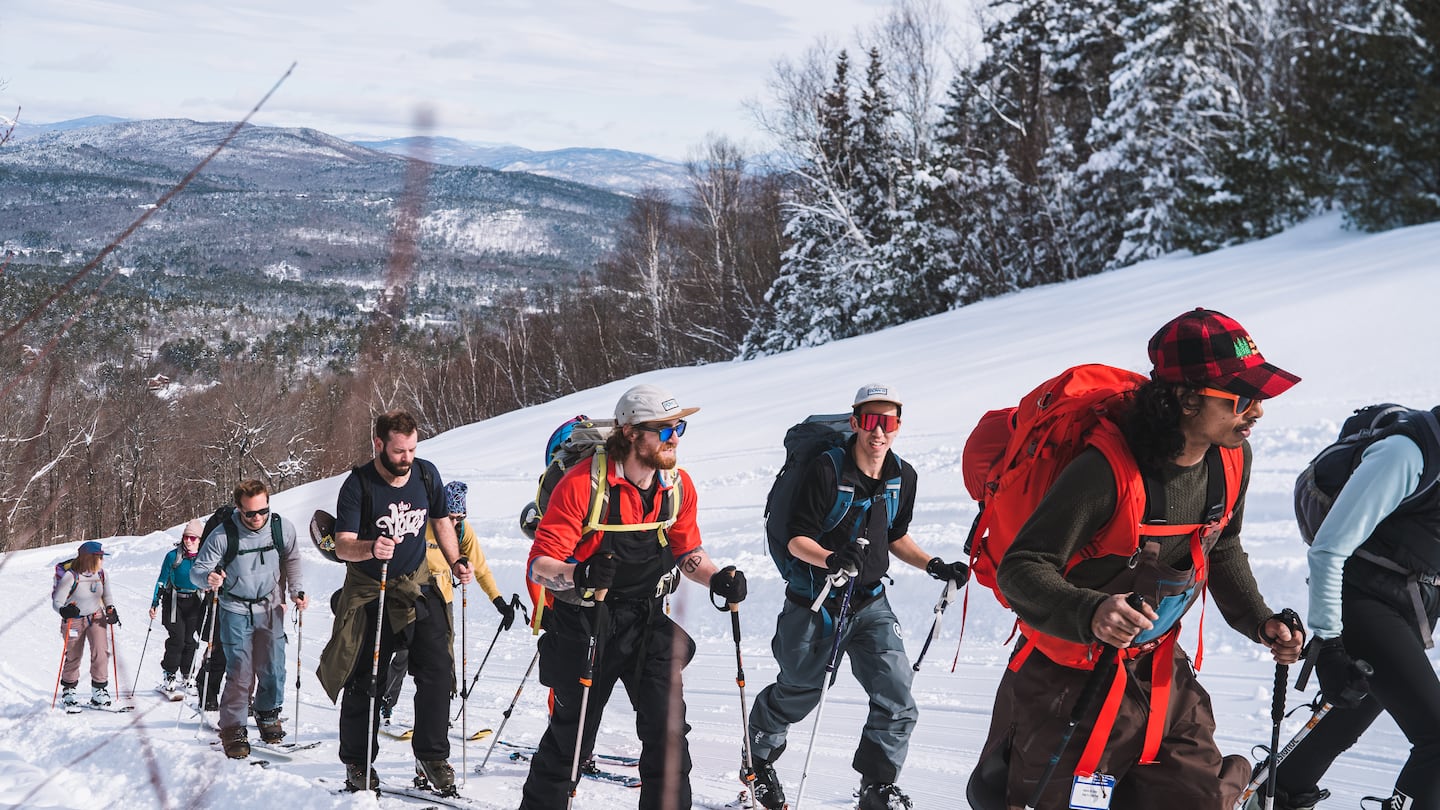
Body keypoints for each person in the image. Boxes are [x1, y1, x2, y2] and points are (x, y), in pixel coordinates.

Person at [972, 308, 1307, 810]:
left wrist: (1259, 621)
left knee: (1197, 799)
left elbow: (1223, 543)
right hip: (1068, 682)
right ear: (1187, 398)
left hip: (1159, 674)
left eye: (1258, 396)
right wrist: (1091, 611)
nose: (1256, 411)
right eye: (1241, 398)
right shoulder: (1105, 471)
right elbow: (1022, 567)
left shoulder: (1232, 457)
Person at [519, 383, 748, 810]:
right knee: (570, 739)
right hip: (587, 622)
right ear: (629, 433)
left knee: (668, 735)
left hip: (648, 620)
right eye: (662, 430)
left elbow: (687, 551)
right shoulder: (582, 485)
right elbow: (539, 565)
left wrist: (718, 578)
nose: (674, 437)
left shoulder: (677, 487)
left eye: (678, 427)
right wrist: (579, 573)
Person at [745, 383, 970, 810]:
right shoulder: (828, 470)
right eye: (870, 421)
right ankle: (757, 757)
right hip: (816, 601)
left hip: (869, 603)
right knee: (800, 690)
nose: (878, 432)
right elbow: (797, 539)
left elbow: (896, 535)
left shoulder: (904, 476)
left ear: (898, 426)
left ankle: (877, 789)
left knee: (897, 696)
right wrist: (832, 559)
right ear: (855, 423)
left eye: (887, 422)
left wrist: (932, 565)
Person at [1258, 407, 1440, 810]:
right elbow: (1327, 549)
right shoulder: (1406, 454)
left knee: (1343, 718)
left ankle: (1269, 797)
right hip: (1359, 600)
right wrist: (1330, 644)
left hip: (1409, 604)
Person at [316, 409, 474, 794]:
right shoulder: (358, 486)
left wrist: (455, 560)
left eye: (412, 449)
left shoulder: (425, 473)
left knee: (438, 668)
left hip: (416, 585)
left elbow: (440, 521)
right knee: (365, 678)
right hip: (372, 590)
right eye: (400, 451)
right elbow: (342, 545)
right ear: (379, 444)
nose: (407, 458)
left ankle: (432, 756)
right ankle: (357, 762)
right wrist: (371, 546)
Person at [379, 480, 517, 723]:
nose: (454, 523)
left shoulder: (463, 530)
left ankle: (440, 710)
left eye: (459, 517)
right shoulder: (420, 523)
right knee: (402, 654)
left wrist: (498, 601)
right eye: (451, 516)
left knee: (444, 656)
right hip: (411, 594)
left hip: (443, 598)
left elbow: (480, 567)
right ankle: (386, 702)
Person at [190, 480, 308, 759]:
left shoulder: (281, 528)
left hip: (270, 607)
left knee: (274, 667)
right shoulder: (222, 535)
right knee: (241, 671)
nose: (257, 518)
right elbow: (197, 571)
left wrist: (296, 589)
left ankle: (267, 713)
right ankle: (233, 727)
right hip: (235, 609)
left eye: (262, 511)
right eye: (250, 513)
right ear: (239, 510)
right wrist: (209, 578)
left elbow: (292, 558)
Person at [52, 540, 119, 709]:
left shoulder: (102, 574)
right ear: (89, 558)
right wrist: (64, 611)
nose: (102, 560)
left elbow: (107, 596)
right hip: (74, 620)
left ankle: (99, 691)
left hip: (96, 616)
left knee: (101, 652)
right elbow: (57, 601)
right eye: (99, 557)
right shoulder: (71, 576)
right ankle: (69, 690)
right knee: (74, 655)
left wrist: (110, 609)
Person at [149, 519, 206, 693]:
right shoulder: (173, 556)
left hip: (195, 601)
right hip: (173, 600)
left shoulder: (205, 557)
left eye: (193, 538)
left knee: (190, 640)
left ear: (200, 540)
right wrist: (154, 603)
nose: (188, 541)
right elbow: (161, 580)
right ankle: (169, 673)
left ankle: (187, 674)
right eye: (186, 537)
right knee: (177, 638)